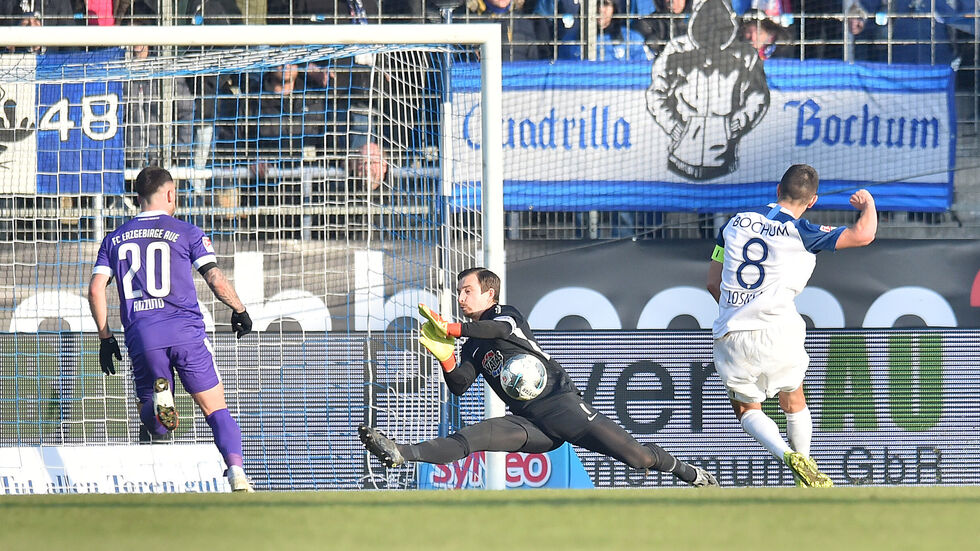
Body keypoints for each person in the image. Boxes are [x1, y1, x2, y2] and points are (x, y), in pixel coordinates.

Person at [358, 267, 719, 487]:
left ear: (489, 292)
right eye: (460, 292)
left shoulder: (505, 315)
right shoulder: (471, 343)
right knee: (473, 437)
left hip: (564, 407)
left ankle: (691, 473)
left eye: (468, 290)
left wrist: (453, 329)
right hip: (531, 424)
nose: (461, 296)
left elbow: (493, 330)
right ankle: (400, 453)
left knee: (639, 458)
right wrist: (447, 359)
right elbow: (459, 387)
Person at [706, 164, 877, 487]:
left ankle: (786, 456)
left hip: (732, 331)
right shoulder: (802, 231)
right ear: (811, 201)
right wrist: (867, 203)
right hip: (779, 329)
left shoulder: (733, 224)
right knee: (793, 397)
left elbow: (713, 283)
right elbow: (863, 234)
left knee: (747, 409)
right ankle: (806, 465)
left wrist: (738, 312)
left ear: (776, 190)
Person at [87, 166, 256, 493]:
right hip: (186, 333)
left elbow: (95, 290)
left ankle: (158, 402)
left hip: (144, 336)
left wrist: (106, 338)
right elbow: (215, 279)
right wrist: (239, 310)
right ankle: (236, 472)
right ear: (169, 194)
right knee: (216, 408)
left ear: (137, 199)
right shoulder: (187, 231)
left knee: (158, 424)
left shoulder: (114, 239)